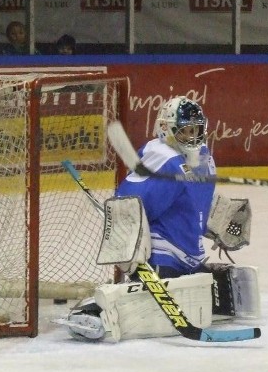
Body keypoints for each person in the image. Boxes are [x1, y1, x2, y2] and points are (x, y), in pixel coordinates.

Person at [59, 97, 257, 342]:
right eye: (186, 130)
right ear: (167, 129)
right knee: (146, 313)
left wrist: (210, 219)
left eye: (197, 129)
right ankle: (93, 312)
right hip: (162, 258)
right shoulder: (163, 157)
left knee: (224, 300)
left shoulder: (203, 156)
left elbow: (193, 198)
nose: (193, 136)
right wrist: (130, 234)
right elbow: (130, 203)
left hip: (192, 257)